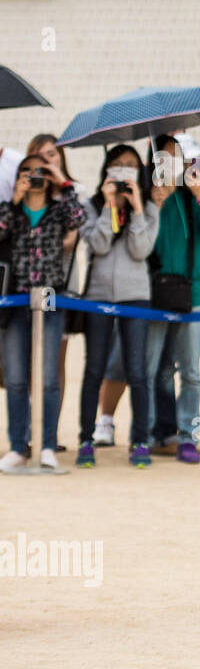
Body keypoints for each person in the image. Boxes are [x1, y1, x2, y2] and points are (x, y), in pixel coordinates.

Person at [0, 153, 87, 472]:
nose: (34, 176)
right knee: (16, 377)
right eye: (27, 171)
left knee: (49, 378)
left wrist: (61, 179)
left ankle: (47, 444)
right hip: (15, 303)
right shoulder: (11, 210)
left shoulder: (58, 209)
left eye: (40, 172)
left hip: (50, 303)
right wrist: (15, 198)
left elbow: (80, 218)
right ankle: (18, 446)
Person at [75, 146, 159, 468]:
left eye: (130, 166)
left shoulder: (149, 208)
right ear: (106, 170)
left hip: (136, 295)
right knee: (94, 369)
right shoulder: (90, 206)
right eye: (118, 165)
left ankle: (140, 441)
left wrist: (136, 208)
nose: (124, 171)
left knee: (138, 371)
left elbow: (141, 251)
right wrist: (111, 205)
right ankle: (85, 439)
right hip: (97, 296)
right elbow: (98, 244)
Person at [143, 137, 200, 464]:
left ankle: (189, 435)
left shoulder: (193, 199)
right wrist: (153, 205)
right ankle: (155, 432)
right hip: (153, 292)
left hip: (193, 292)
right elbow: (141, 245)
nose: (171, 165)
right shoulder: (147, 199)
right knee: (155, 370)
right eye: (164, 159)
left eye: (176, 158)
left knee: (190, 371)